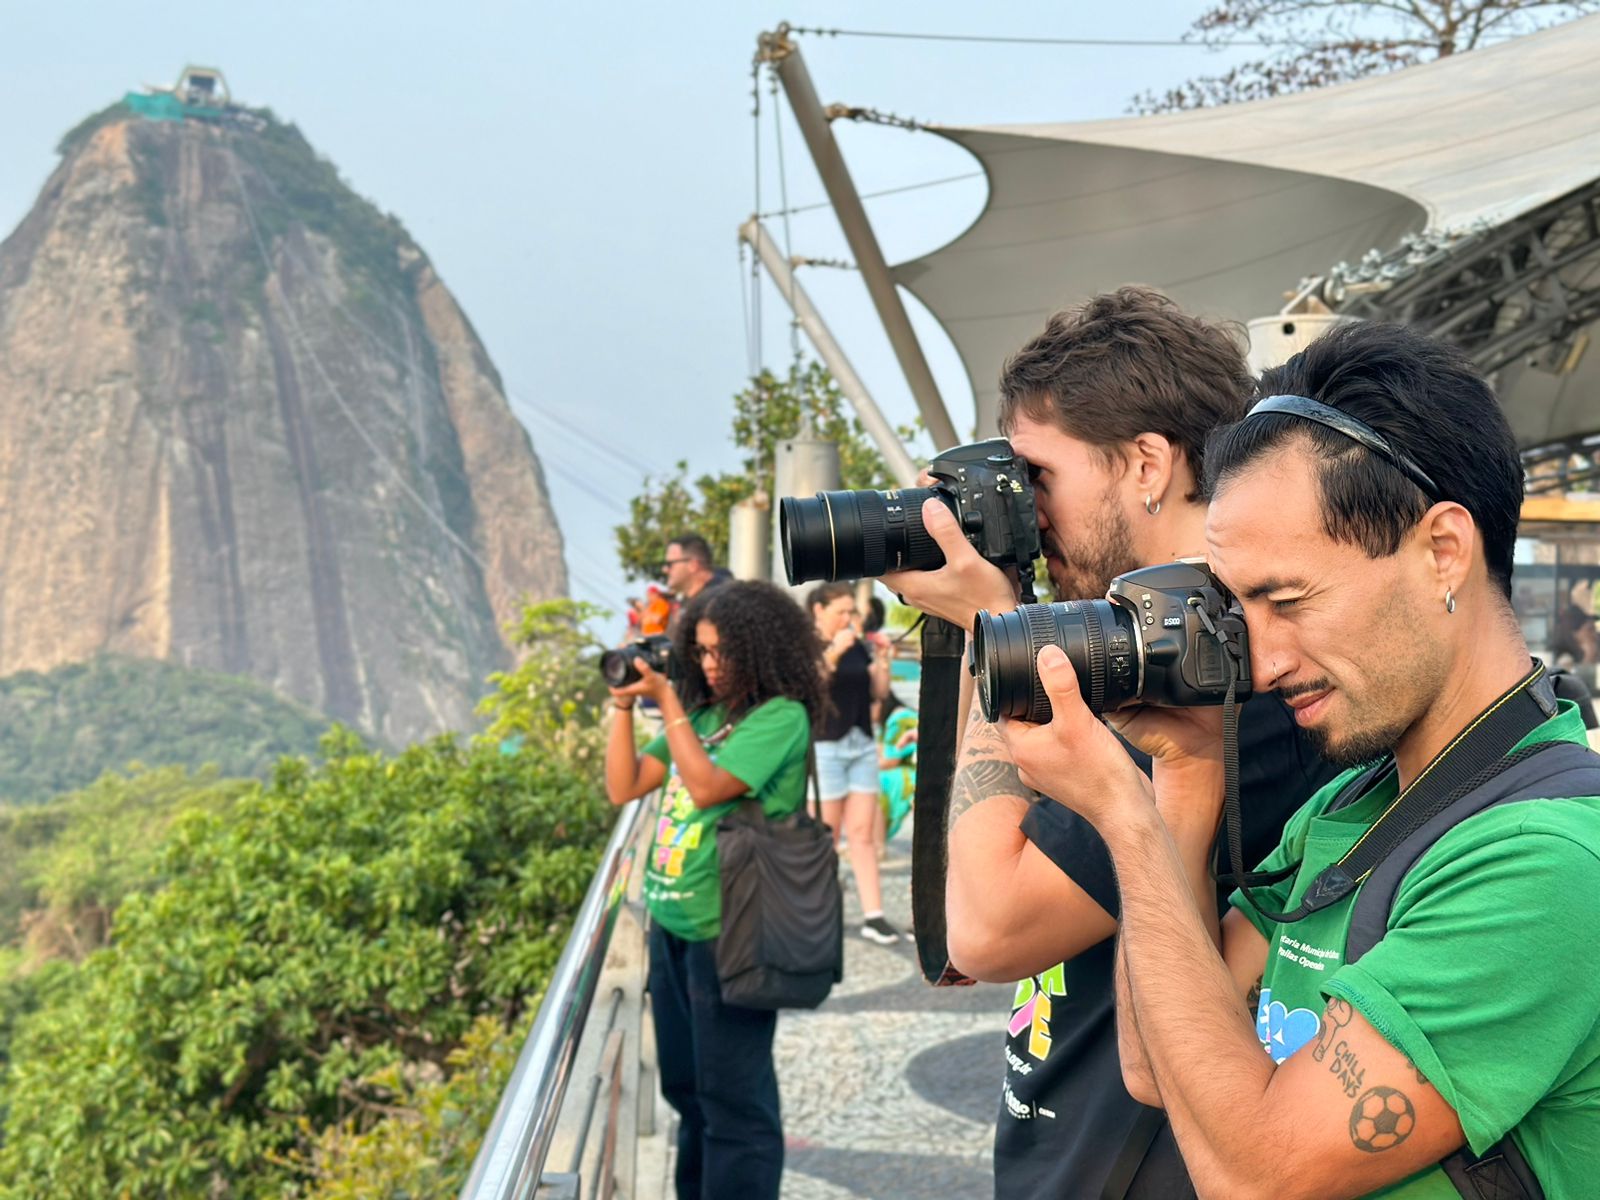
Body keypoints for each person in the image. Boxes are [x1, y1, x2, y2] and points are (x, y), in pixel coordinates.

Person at [1001, 321, 1600, 1198]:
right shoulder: (1354, 808)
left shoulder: (1546, 861)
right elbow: (1153, 1064)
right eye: (1241, 609)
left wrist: (1121, 820)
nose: (1266, 660)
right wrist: (1186, 776)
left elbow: (1259, 1175)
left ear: (1442, 551)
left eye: (1288, 599)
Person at [883, 286, 1335, 1199]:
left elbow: (984, 926)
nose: (1025, 514)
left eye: (1037, 477)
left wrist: (996, 636)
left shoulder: (1216, 678)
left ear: (1146, 464)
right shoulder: (1122, 649)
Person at [604, 580, 823, 1200]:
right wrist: (624, 706)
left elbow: (705, 787)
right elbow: (625, 785)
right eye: (699, 651)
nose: (709, 664)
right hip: (672, 927)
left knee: (735, 1101)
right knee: (686, 1090)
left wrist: (667, 700)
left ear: (758, 650)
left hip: (733, 932)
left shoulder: (780, 717)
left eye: (720, 652)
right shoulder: (701, 717)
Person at [808, 581, 899, 944]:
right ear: (819, 610)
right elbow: (808, 688)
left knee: (861, 835)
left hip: (860, 742)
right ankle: (818, 915)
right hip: (825, 745)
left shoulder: (857, 643)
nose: (848, 618)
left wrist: (883, 661)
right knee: (824, 836)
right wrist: (833, 652)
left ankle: (873, 916)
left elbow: (877, 692)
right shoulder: (808, 644)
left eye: (851, 612)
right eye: (841, 612)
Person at [876, 689, 917, 842]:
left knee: (873, 782)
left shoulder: (898, 719)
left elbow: (890, 761)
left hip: (914, 771)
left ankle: (876, 843)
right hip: (911, 768)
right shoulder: (892, 718)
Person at [662, 534, 732, 604]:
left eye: (670, 564)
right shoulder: (692, 600)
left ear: (693, 565)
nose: (664, 569)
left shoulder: (723, 600)